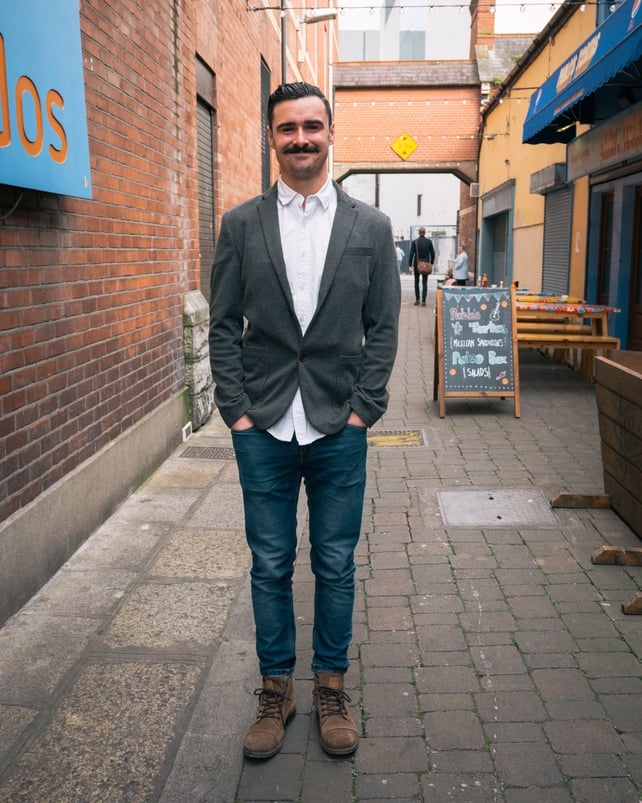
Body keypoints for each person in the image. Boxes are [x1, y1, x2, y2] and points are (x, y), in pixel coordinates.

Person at [209, 82, 400, 761]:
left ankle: (330, 685)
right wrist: (235, 411)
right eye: (287, 128)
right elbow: (223, 322)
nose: (300, 139)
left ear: (330, 132)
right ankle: (275, 689)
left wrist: (363, 409)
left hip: (338, 425)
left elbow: (384, 326)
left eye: (311, 126)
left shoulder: (371, 228)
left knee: (336, 562)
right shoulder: (240, 224)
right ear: (271, 137)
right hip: (262, 423)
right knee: (269, 562)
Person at [408, 226, 435, 306]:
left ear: (419, 233)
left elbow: (411, 254)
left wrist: (410, 265)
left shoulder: (415, 242)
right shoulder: (429, 242)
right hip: (426, 265)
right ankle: (423, 301)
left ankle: (417, 300)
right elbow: (433, 253)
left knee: (416, 282)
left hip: (417, 264)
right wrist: (431, 262)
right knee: (425, 282)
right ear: (425, 232)